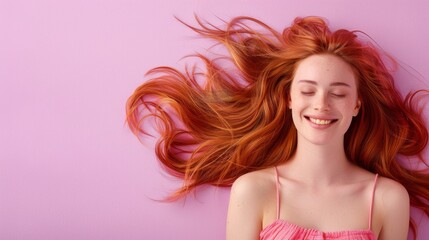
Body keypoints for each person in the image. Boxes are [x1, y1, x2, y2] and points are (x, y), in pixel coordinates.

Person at [126, 16, 429, 239]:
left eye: (338, 93)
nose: (321, 105)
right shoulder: (254, 190)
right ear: (289, 99)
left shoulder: (389, 198)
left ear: (356, 106)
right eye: (308, 91)